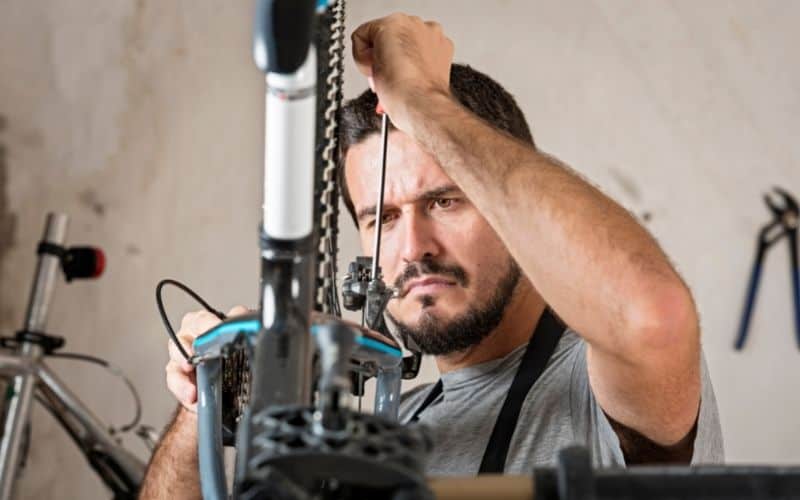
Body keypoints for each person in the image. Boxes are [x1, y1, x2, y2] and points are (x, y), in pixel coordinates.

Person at [139, 13, 723, 498]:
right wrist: (203, 402)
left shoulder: (591, 393)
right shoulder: (392, 427)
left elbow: (652, 315)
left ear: (508, 205)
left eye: (444, 201)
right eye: (383, 218)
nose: (413, 247)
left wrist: (419, 99)